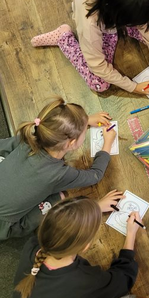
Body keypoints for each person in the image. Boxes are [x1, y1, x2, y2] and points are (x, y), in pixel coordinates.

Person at [11, 195, 149, 298]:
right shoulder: (82, 281)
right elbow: (124, 279)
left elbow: (60, 228)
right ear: (86, 246)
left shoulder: (32, 246)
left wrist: (93, 209)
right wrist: (131, 234)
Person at [31, 0, 149, 93]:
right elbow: (97, 65)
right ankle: (63, 38)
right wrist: (133, 87)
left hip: (121, 11)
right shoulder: (90, 26)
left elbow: (147, 25)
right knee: (99, 83)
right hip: (105, 27)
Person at [0, 97, 116, 240]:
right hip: (4, 226)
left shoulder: (28, 137)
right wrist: (108, 144)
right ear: (72, 143)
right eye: (84, 133)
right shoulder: (59, 174)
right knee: (57, 198)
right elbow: (95, 176)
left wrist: (84, 121)